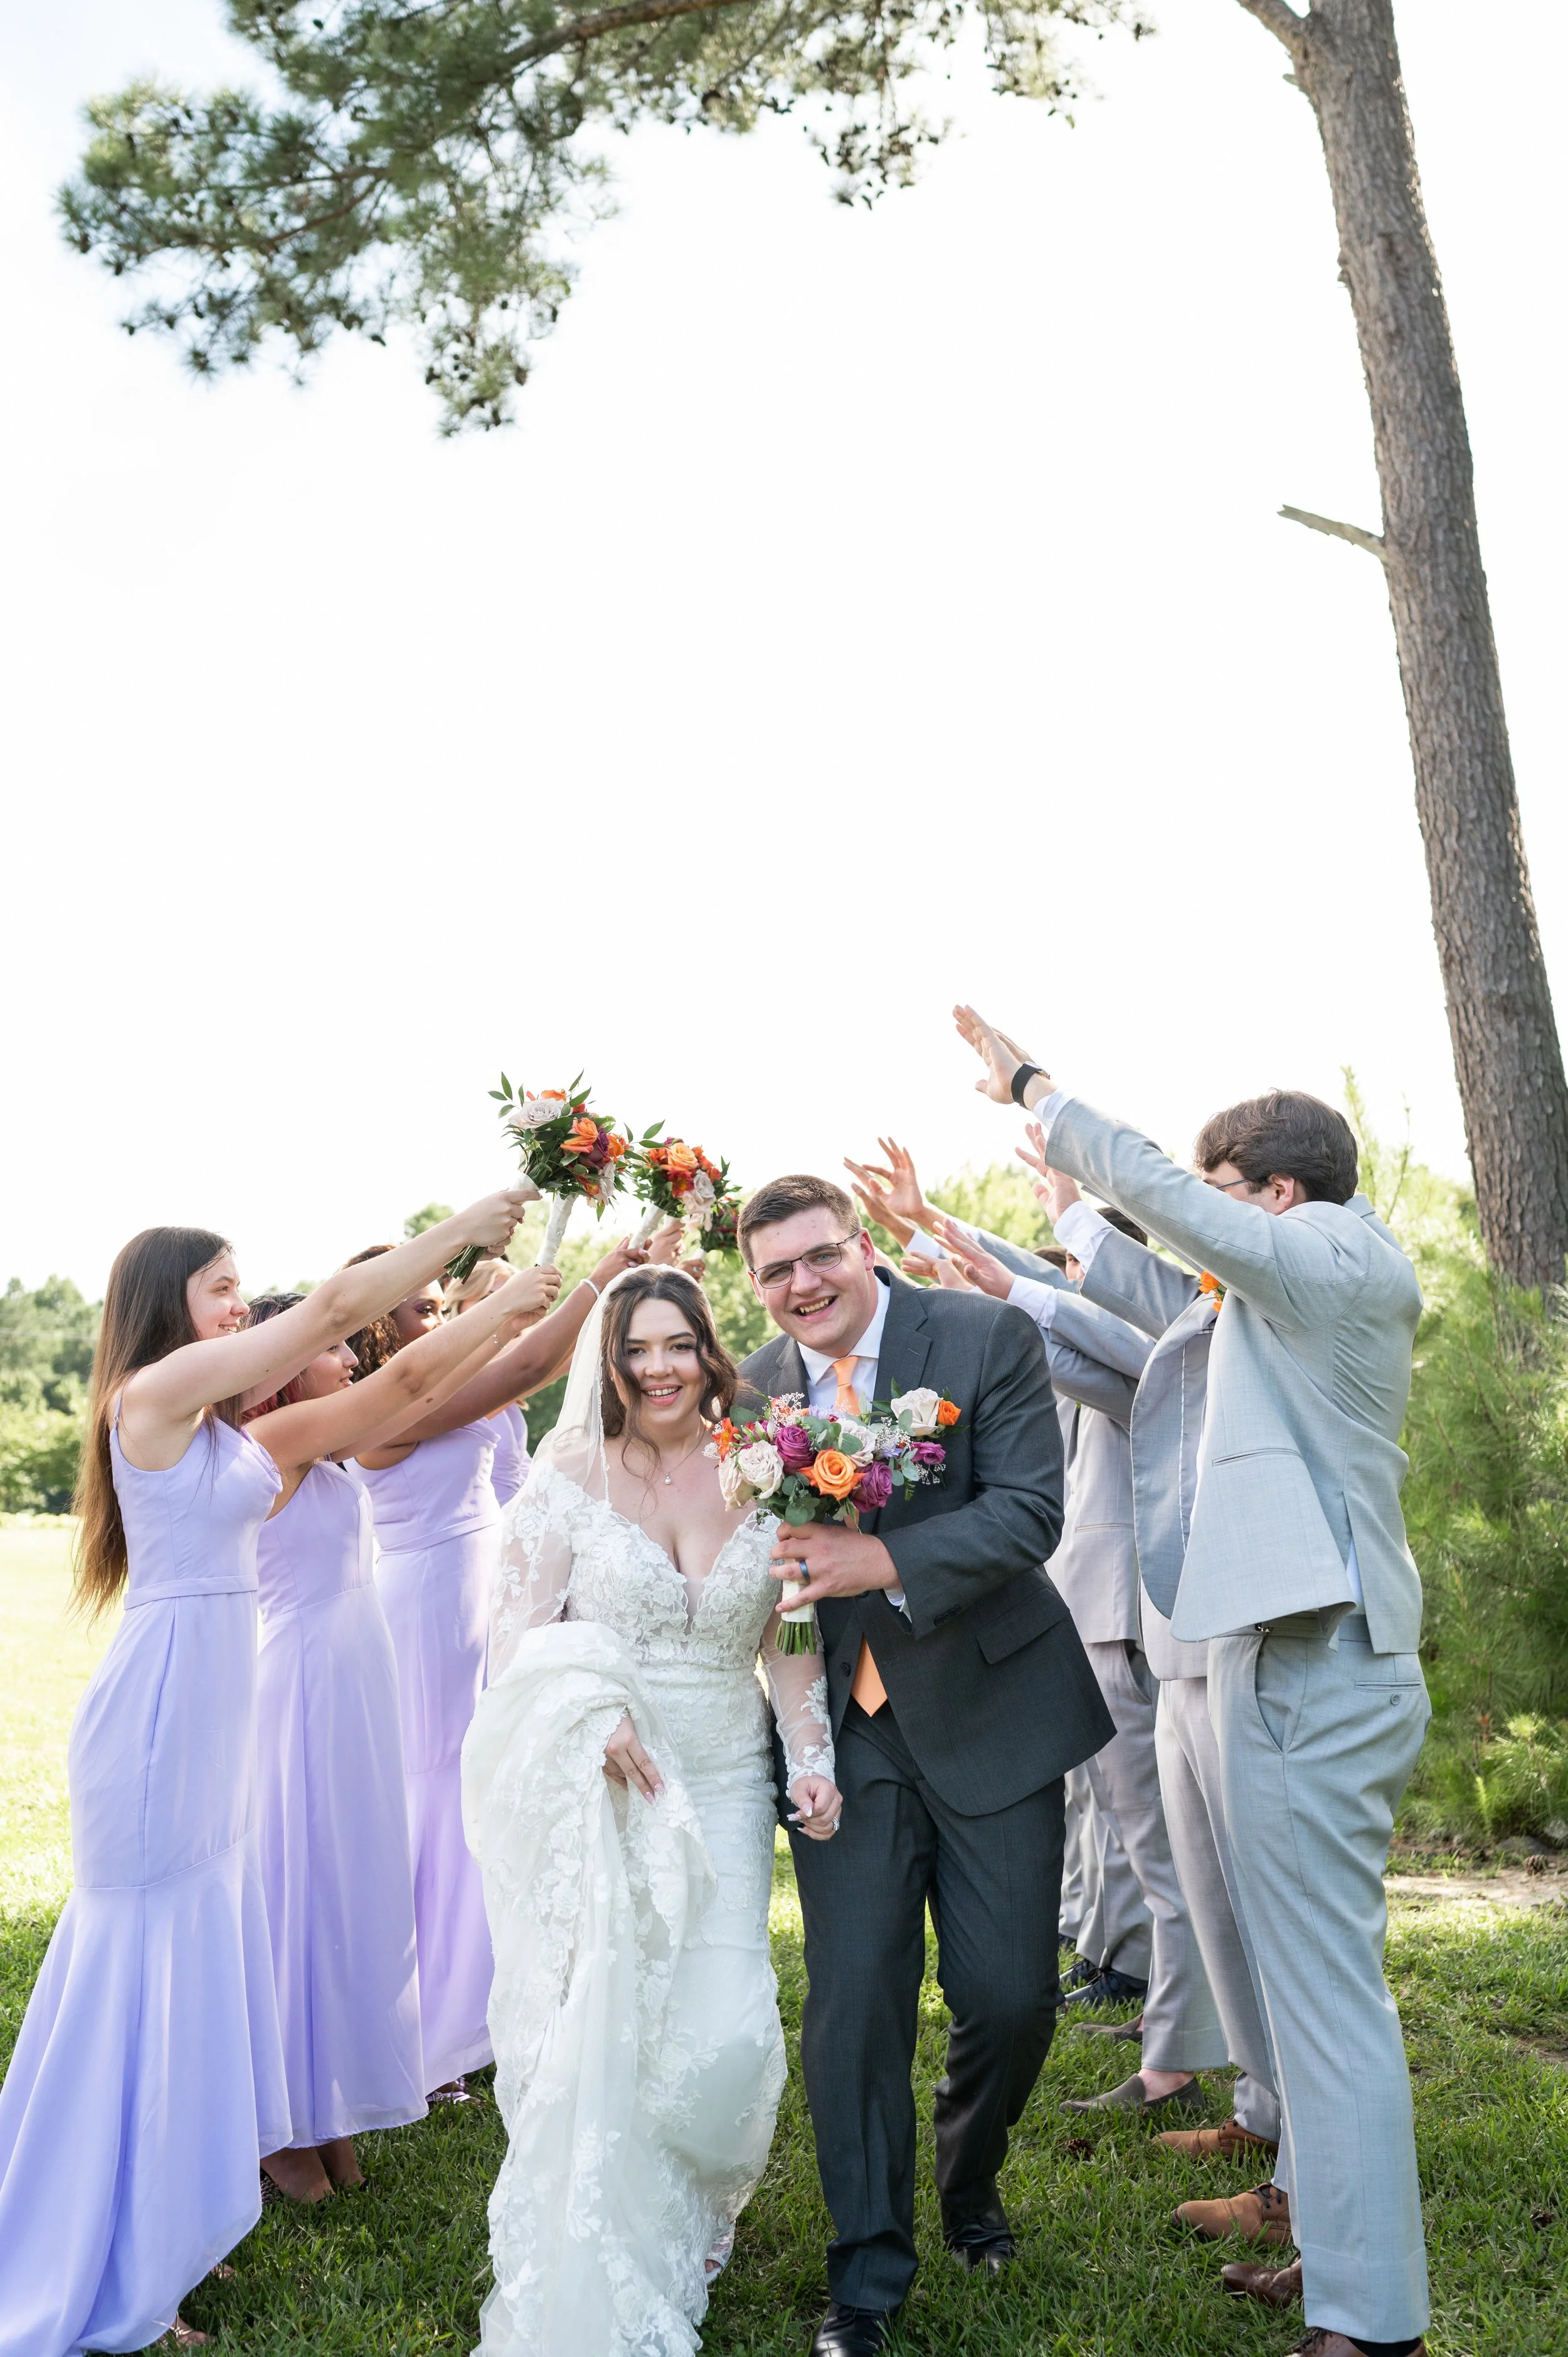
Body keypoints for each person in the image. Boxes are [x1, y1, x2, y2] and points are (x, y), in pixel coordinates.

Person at [956, 1005, 1432, 2357]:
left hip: (1311, 1662)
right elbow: (1132, 1295)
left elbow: (1158, 1206)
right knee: (1295, 1994)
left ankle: (1370, 2325)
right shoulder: (1266, 1311)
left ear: (1275, 1194)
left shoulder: (1339, 1256)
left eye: (1221, 1198)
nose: (1200, 1224)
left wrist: (1038, 1091)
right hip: (1267, 1657)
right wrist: (976, 1246)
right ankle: (1331, 2249)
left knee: (1326, 2000)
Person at [0, 1195, 526, 2357]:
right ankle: (95, 2249)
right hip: (156, 1725)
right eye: (224, 1287)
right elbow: (340, 1308)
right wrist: (468, 1225)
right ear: (166, 1309)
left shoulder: (228, 1436)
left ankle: (167, 2232)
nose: (244, 1303)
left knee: (194, 1980)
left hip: (215, 1725)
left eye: (242, 1288)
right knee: (138, 1983)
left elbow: (393, 1392)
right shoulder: (149, 1399)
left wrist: (524, 1295)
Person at [735, 1175, 1112, 2357]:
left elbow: (1028, 1513)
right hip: (843, 1733)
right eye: (776, 1270)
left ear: (861, 1249)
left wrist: (875, 1558)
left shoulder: (982, 1333)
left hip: (993, 1699)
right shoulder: (753, 1387)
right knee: (853, 2008)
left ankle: (970, 2170)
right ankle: (866, 2272)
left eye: (819, 1256)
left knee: (1009, 1994)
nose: (803, 1284)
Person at [463, 1267, 842, 2356]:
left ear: (709, 1349)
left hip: (724, 1779)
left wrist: (808, 1758)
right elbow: (513, 1642)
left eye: (678, 1344)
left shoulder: (766, 1470)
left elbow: (792, 1633)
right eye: (638, 1349)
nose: (660, 1367)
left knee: (722, 2025)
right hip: (613, 1776)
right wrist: (590, 1720)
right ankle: (634, 2228)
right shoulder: (569, 1474)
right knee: (616, 2019)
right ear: (611, 1362)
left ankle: (698, 2202)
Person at [243, 1262, 558, 2202]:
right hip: (300, 1682)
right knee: (299, 1890)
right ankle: (278, 2126)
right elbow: (437, 1382)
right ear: (282, 1376)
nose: (346, 1360)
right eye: (331, 1349)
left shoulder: (329, 1450)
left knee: (346, 1891)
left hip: (355, 1673)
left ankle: (325, 2110)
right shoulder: (280, 1443)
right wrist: (525, 1293)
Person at [1021, 1142, 1285, 2193]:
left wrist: (1035, 1244)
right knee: (1150, 1844)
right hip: (1110, 1609)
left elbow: (1070, 1315)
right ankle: (1196, 2058)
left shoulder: (1180, 1340)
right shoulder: (1155, 1340)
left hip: (1144, 1615)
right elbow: (1051, 1327)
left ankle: (1177, 2056)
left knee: (1167, 1856)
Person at [347, 1231, 641, 2099]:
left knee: (484, 1792)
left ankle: (473, 2014)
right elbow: (522, 1371)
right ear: (375, 1325)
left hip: (477, 1596)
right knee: (440, 1804)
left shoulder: (434, 1386)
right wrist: (594, 1280)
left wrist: (608, 1274)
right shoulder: (381, 1405)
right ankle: (426, 2035)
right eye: (419, 1309)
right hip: (428, 1605)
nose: (436, 1318)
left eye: (441, 1305)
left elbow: (523, 1371)